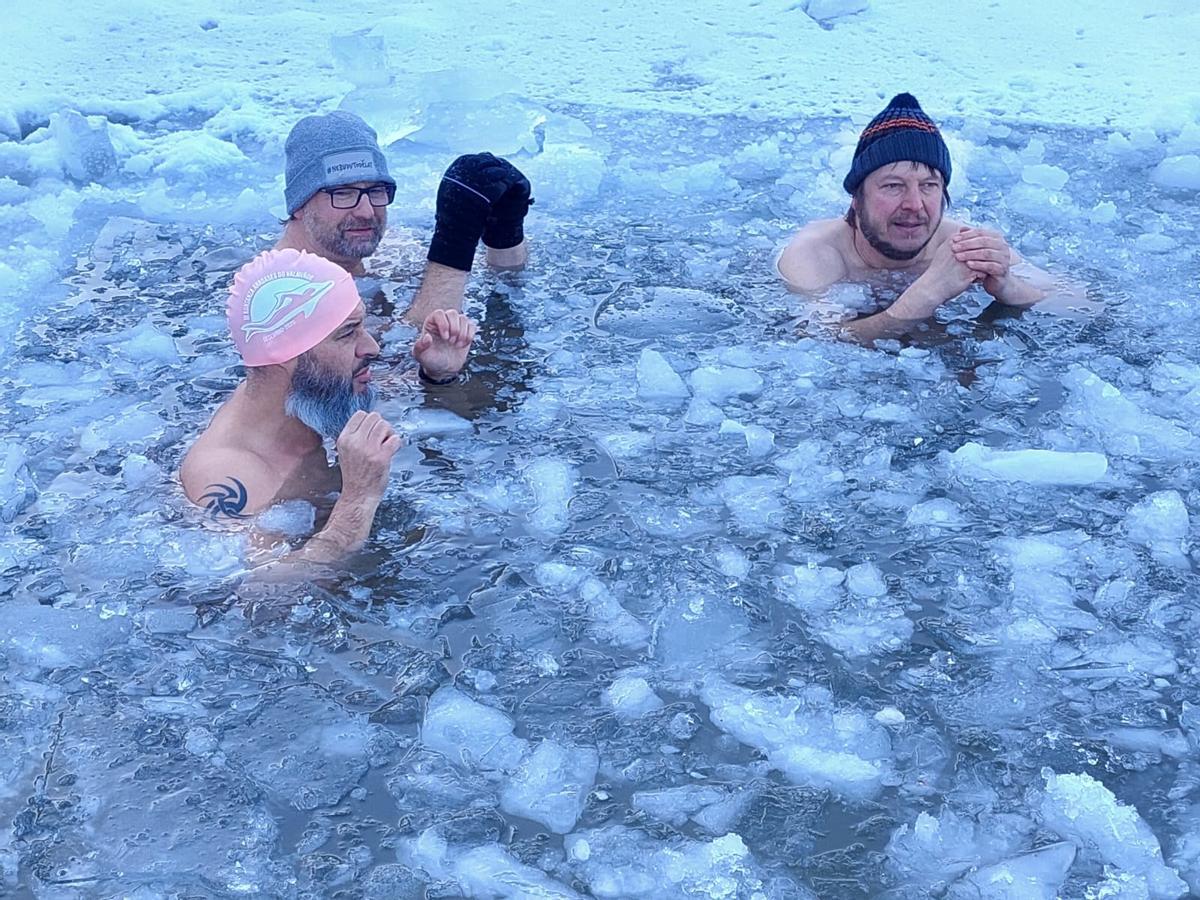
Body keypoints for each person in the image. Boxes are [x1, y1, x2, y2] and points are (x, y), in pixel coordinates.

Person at [179, 248, 476, 564]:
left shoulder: (309, 394)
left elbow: (384, 391)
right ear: (288, 354)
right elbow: (261, 597)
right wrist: (358, 500)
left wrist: (437, 376)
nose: (371, 347)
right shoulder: (229, 478)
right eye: (348, 333)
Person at [776, 93, 1055, 345]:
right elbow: (814, 341)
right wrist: (925, 296)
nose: (914, 204)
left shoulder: (961, 243)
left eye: (928, 186)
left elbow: (1084, 306)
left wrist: (1010, 287)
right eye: (893, 186)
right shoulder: (816, 253)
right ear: (856, 198)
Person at [274, 111, 532, 325]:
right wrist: (454, 242)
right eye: (342, 193)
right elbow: (395, 370)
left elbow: (507, 282)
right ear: (298, 204)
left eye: (376, 191)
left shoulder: (385, 250)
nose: (366, 212)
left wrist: (505, 231)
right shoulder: (285, 293)